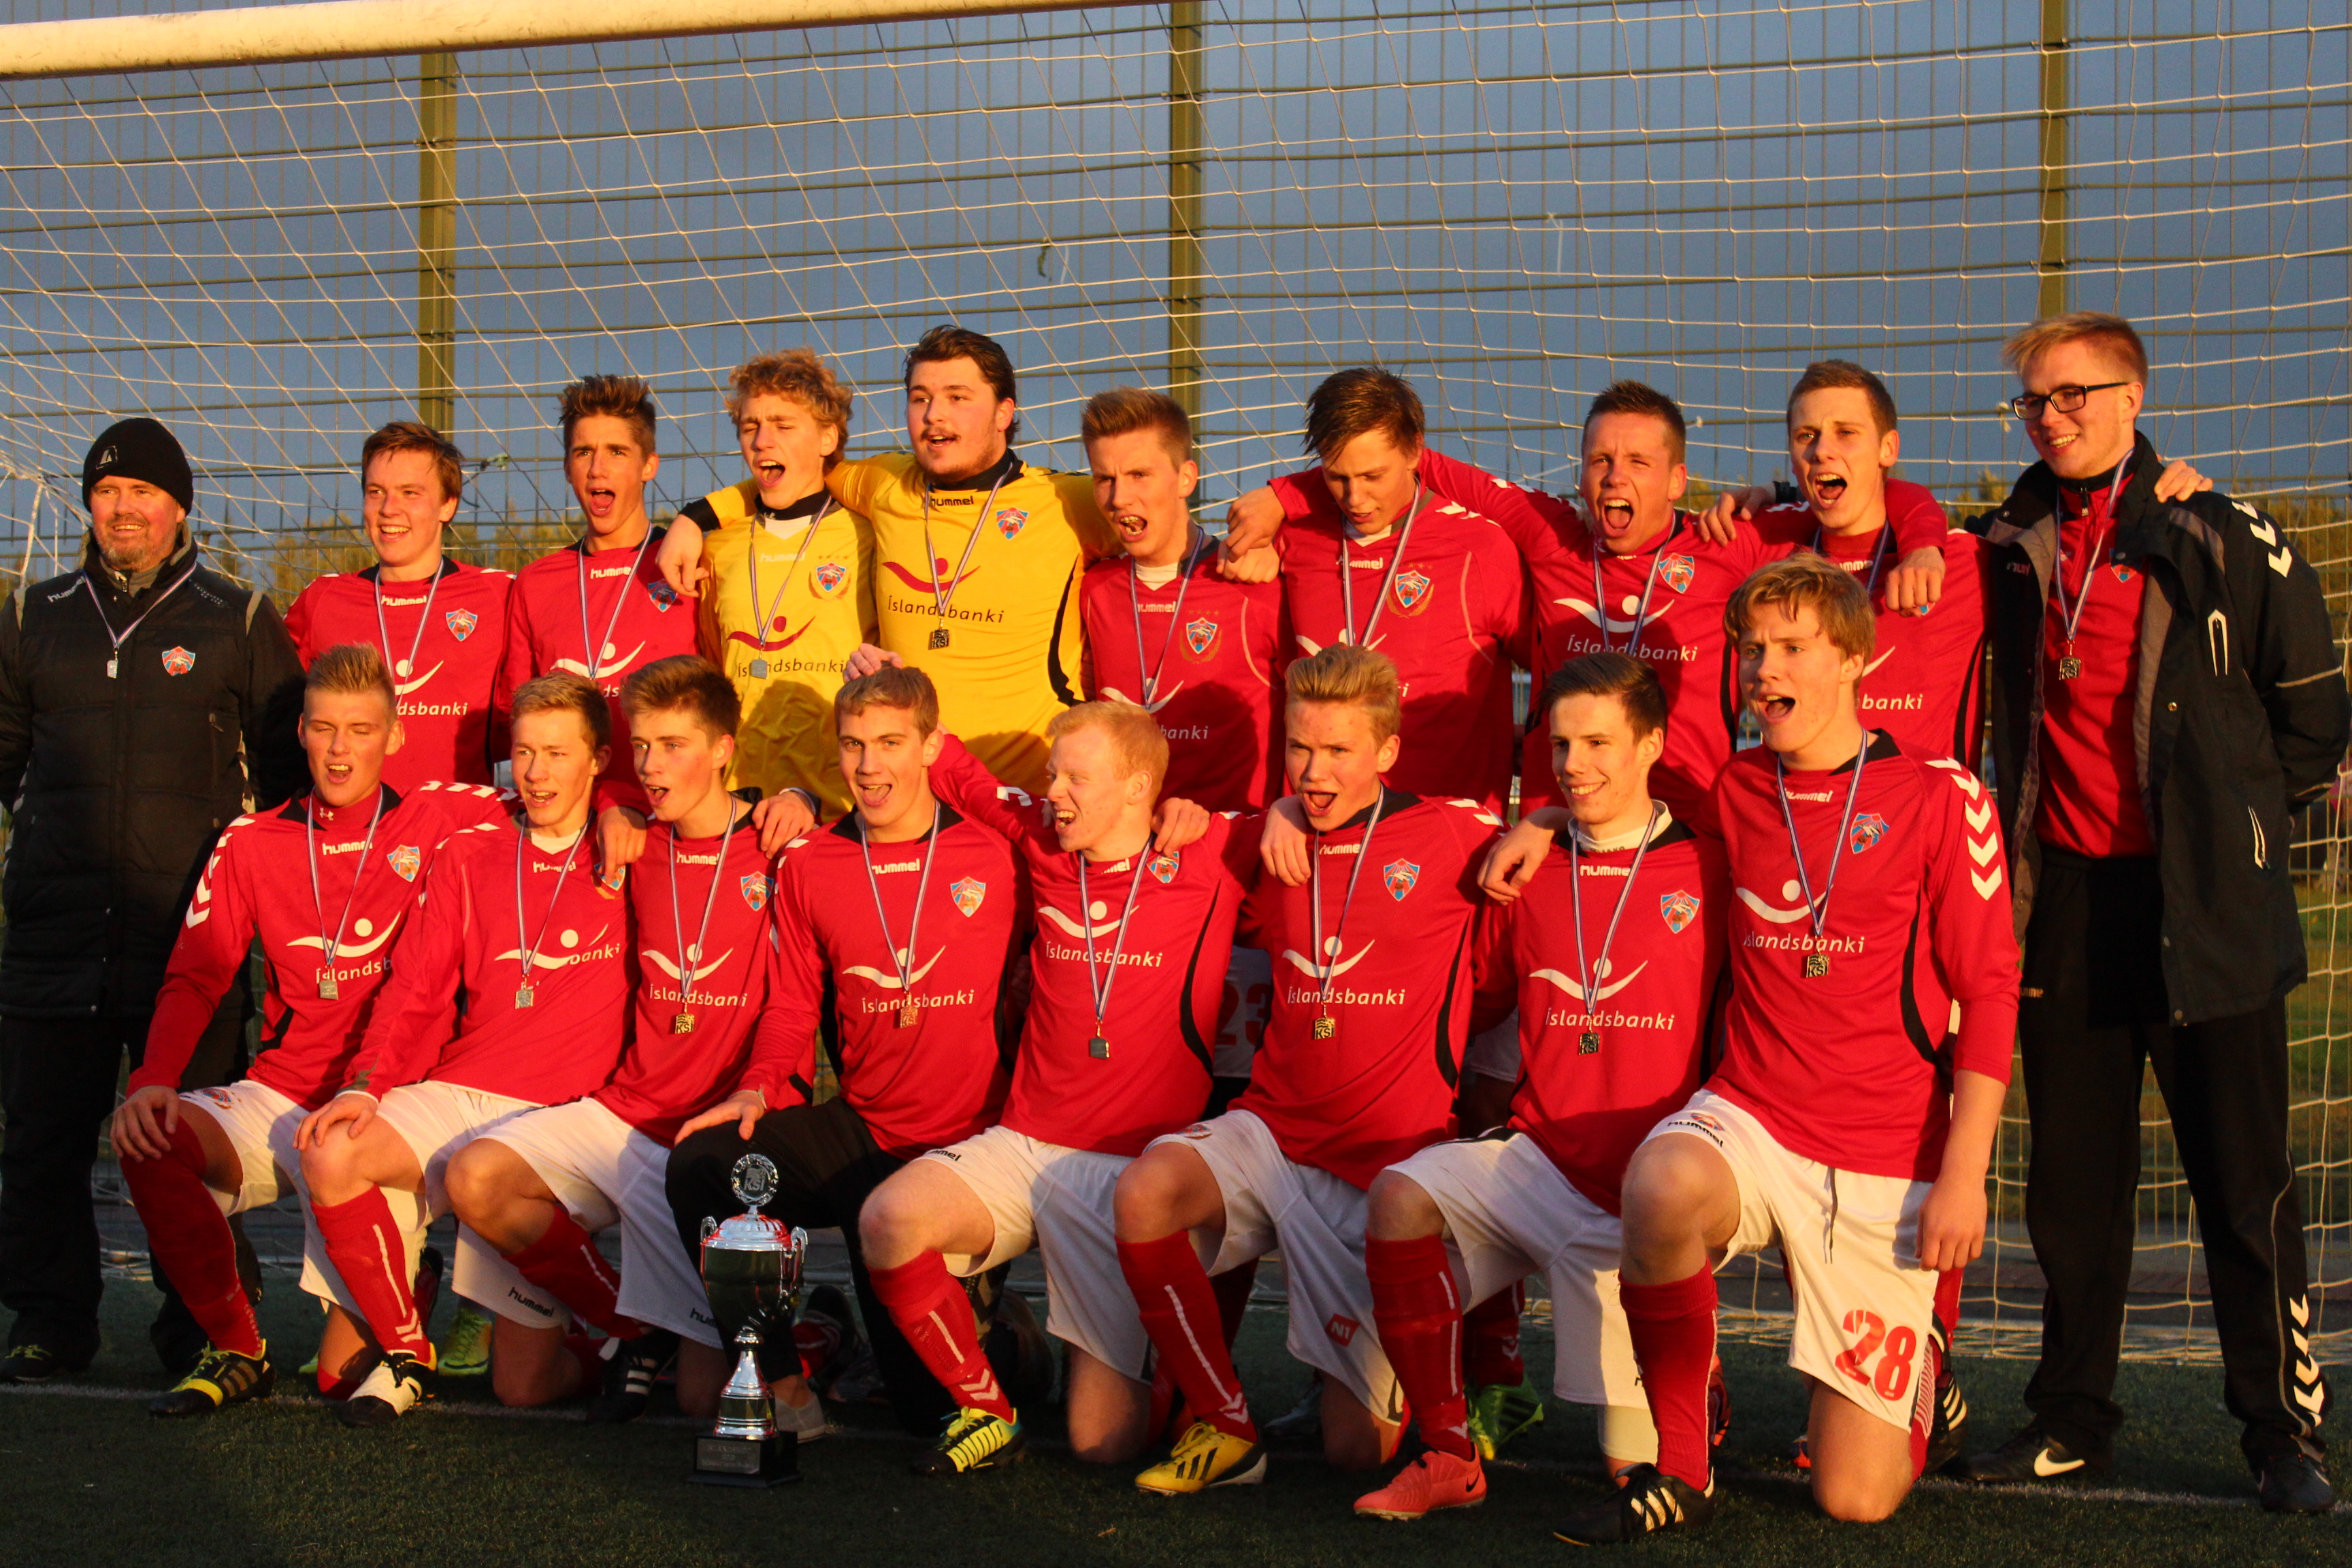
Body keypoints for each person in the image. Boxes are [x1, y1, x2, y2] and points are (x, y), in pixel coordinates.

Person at [1531, 555, 2017, 1541]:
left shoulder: (1940, 794)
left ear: (1855, 660)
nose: (1765, 670)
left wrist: (1965, 1178)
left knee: (1854, 1499)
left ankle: (1922, 1360)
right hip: (1753, 1117)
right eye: (1754, 650)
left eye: (1793, 647)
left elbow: (1991, 994)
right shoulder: (1737, 785)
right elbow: (1620, 808)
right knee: (1660, 1184)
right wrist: (1544, 819)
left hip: (1883, 1154)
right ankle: (1682, 1466)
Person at [1957, 312, 2346, 1514]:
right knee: (2071, 1189)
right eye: (2034, 400)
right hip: (2068, 903)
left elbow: (2315, 716)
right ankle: (2072, 1418)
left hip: (2207, 902)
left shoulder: (2220, 532)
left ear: (2133, 397)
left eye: (2074, 393)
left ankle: (2280, 1431)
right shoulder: (2001, 545)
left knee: (2242, 1182)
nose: (2051, 416)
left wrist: (2234, 830)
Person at [1113, 643, 1501, 1493]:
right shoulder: (1267, 838)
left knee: (1354, 1453)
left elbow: (1554, 839)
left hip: (1381, 1167)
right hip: (1275, 1131)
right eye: (1298, 748)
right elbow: (1167, 831)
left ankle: (1463, 1379)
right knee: (1146, 1193)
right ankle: (1224, 1424)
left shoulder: (1451, 834)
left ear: (1388, 751)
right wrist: (1255, 814)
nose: (1315, 772)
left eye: (1337, 751)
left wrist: (1540, 826)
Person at [1349, 651, 1729, 1520]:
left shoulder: (1711, 868)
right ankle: (1448, 1452)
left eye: (1597, 743)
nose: (1574, 764)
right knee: (1399, 1198)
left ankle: (1697, 1373)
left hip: (1650, 1199)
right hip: (1541, 1164)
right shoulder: (1525, 872)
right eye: (1561, 745)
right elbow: (1473, 999)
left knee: (1634, 1471)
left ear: (1651, 746)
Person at [1228, 382, 1946, 828]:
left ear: (1677, 481)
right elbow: (1413, 466)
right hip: (1554, 829)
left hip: (1682, 826)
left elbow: (1870, 503)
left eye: (1637, 463)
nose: (1614, 477)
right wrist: (1284, 495)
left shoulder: (1727, 543)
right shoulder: (1552, 537)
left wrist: (1923, 544)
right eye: (1600, 460)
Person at [110, 644, 509, 1414]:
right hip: (284, 1094)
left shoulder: (444, 818)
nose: (339, 750)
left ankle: (408, 1303)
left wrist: (622, 816)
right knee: (149, 1137)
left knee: (337, 1378)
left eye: (361, 730)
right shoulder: (250, 840)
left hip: (386, 1106)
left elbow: (560, 800)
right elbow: (196, 976)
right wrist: (154, 1079)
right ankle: (238, 1349)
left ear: (394, 736)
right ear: (301, 732)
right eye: (324, 728)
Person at [0, 416, 306, 1384]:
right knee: (42, 1144)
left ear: (179, 506)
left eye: (142, 492)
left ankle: (203, 1326)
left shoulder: (239, 617)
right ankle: (51, 1321)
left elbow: (288, 774)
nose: (122, 509)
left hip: (188, 944)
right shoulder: (32, 615)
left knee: (187, 1146)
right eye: (106, 491)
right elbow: (6, 757)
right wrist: (49, 843)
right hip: (54, 938)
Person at [856, 702, 1238, 1475]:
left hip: (1130, 1172)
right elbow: (962, 774)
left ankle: (1164, 1358)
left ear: (1138, 787)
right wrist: (888, 709)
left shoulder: (1211, 854)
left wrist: (1279, 814)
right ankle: (989, 1412)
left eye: (1075, 779)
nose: (1054, 793)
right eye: (1053, 775)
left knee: (1103, 1445)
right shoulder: (1045, 842)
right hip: (1024, 1142)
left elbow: (1327, 824)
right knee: (889, 1219)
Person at [656, 328, 1275, 793]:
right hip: (917, 800)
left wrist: (1264, 532)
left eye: (958, 397)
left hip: (1031, 792)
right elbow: (792, 473)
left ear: (1005, 413)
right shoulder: (884, 484)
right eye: (920, 398)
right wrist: (697, 516)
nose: (935, 415)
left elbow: (1158, 508)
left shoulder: (1067, 501)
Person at [668, 664, 1025, 1438]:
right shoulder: (811, 861)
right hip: (863, 1137)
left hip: (967, 1155)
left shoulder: (998, 856)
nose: (869, 766)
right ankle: (786, 1384)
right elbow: (794, 1003)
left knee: (929, 1412)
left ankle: (1012, 1338)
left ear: (931, 746)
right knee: (707, 1163)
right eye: (853, 745)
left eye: (891, 743)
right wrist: (759, 1086)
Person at [443, 656, 778, 1426]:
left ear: (724, 749)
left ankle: (811, 1338)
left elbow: (794, 1003)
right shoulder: (630, 841)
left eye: (673, 746)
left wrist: (798, 796)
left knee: (703, 1403)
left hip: (712, 1140)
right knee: (477, 1179)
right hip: (623, 1118)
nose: (652, 765)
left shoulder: (782, 847)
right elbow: (594, 789)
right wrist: (612, 808)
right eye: (643, 746)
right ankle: (630, 1326)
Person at [296, 670, 636, 1424]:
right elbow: (415, 989)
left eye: (557, 753)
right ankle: (407, 1352)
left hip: (561, 1117)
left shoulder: (633, 848)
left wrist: (624, 805)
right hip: (463, 1092)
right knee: (331, 1149)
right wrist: (364, 1084)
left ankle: (638, 1333)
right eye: (525, 753)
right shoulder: (469, 851)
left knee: (524, 1387)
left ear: (599, 760)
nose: (537, 773)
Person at [1258, 368, 1527, 813]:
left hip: (1448, 826)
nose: (1355, 498)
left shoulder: (1480, 548)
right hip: (1323, 824)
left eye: (1373, 476)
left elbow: (1555, 673)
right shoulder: (1294, 540)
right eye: (1337, 477)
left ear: (1415, 451)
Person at [676, 350, 877, 817]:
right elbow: (714, 664)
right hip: (739, 796)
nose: (763, 441)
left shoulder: (867, 535)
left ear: (827, 438)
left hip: (842, 801)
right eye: (751, 427)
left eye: (784, 426)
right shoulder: (716, 547)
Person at [497, 375, 700, 815]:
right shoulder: (536, 583)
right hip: (568, 822)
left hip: (668, 820)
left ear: (649, 466)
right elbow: (519, 717)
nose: (597, 469)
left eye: (617, 452)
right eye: (584, 452)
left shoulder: (691, 567)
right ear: (567, 467)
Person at [284, 421, 513, 790]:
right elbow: (282, 727)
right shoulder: (323, 600)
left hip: (458, 822)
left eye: (410, 493)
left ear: (448, 504)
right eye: (376, 492)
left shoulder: (499, 596)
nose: (389, 509)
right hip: (354, 824)